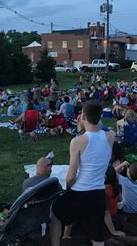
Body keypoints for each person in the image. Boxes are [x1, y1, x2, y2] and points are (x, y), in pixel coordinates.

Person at [50, 100, 116, 246]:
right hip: (98, 195)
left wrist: (67, 185)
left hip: (79, 193)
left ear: (83, 115)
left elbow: (71, 176)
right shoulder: (111, 136)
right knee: (97, 237)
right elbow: (100, 127)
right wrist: (88, 121)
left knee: (55, 214)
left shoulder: (77, 141)